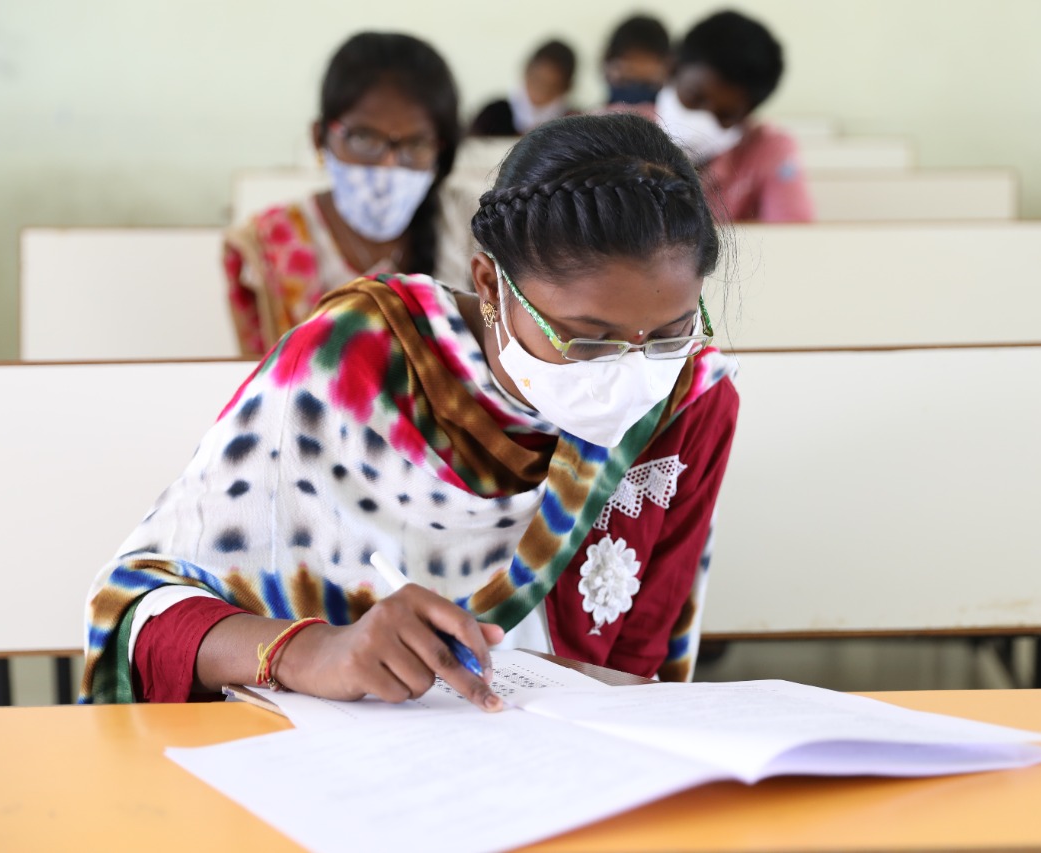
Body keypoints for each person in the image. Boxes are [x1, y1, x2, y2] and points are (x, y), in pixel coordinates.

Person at [81, 113, 740, 709]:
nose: (630, 371)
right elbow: (141, 613)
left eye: (669, 334)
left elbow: (637, 665)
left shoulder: (688, 399)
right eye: (587, 338)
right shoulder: (359, 358)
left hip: (550, 768)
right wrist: (311, 651)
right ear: (489, 285)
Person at [225, 32, 463, 357]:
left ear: (440, 151)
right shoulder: (270, 245)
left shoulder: (474, 230)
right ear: (319, 138)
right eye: (364, 137)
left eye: (416, 144)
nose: (388, 163)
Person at [655, 10, 814, 223]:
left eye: (725, 115)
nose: (703, 120)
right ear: (672, 70)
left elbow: (796, 236)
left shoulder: (768, 150)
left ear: (747, 115)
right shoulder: (617, 131)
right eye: (694, 98)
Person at [470, 39, 576, 137]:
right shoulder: (493, 115)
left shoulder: (572, 124)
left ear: (566, 88)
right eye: (536, 81)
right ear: (526, 71)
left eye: (550, 88)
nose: (539, 95)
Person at [601, 14, 671, 106]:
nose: (635, 92)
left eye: (647, 85)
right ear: (606, 62)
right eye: (625, 81)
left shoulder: (671, 118)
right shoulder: (588, 117)